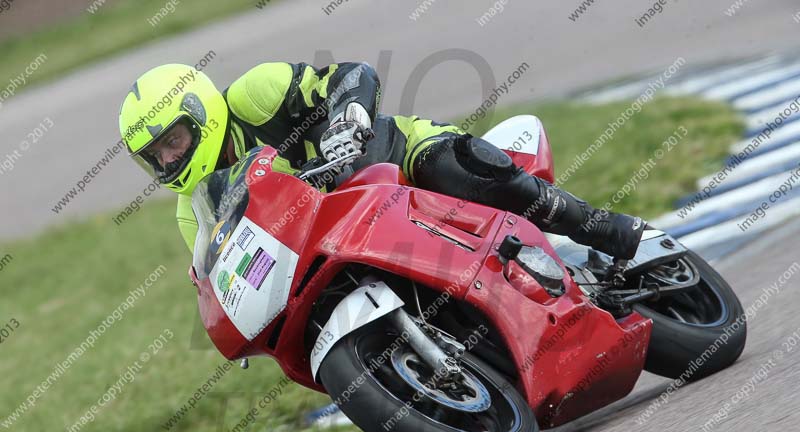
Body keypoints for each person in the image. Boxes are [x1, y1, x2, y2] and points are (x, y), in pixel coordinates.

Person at [118, 62, 644, 258]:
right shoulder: (193, 211)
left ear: (200, 114)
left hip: (387, 160)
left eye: (173, 140)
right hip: (332, 243)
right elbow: (219, 273)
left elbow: (353, 75)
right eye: (155, 156)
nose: (169, 159)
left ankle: (595, 227)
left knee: (461, 166)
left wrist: (348, 118)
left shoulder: (256, 94)